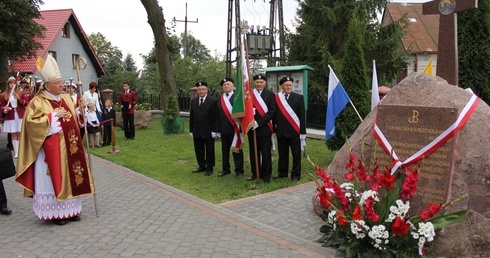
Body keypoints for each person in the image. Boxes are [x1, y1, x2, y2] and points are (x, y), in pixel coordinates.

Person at [16, 54, 95, 226]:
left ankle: (71, 211)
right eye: (58, 83)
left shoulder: (66, 99)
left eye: (62, 82)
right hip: (50, 154)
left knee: (73, 177)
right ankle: (56, 213)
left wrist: (80, 112)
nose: (62, 86)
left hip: (71, 149)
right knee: (55, 180)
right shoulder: (37, 103)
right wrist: (52, 116)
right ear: (47, 85)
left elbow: (75, 120)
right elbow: (31, 124)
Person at [273, 76, 306, 182]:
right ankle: (282, 172)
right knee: (282, 153)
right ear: (282, 86)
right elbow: (274, 114)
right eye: (286, 85)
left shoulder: (299, 97)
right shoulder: (277, 98)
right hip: (281, 131)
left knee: (296, 154)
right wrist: (274, 128)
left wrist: (303, 132)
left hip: (294, 131)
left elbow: (302, 116)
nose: (288, 87)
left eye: (290, 85)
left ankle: (296, 175)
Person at [247, 74, 276, 183]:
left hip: (264, 128)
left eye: (261, 82)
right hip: (252, 129)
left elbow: (272, 111)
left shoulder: (270, 94)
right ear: (254, 83)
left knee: (265, 153)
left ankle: (266, 175)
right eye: (257, 82)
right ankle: (255, 173)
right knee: (253, 152)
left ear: (265, 83)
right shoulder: (249, 94)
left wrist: (259, 123)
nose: (259, 84)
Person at [216, 78, 244, 178]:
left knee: (237, 150)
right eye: (224, 85)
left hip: (235, 129)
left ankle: (239, 170)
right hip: (224, 129)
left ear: (233, 86)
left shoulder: (238, 97)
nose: (226, 86)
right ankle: (225, 169)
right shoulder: (220, 99)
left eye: (228, 84)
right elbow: (217, 115)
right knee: (225, 151)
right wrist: (217, 129)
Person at [189, 82, 217, 176]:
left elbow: (215, 117)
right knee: (198, 149)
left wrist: (215, 130)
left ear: (207, 90)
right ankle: (201, 166)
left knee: (209, 150)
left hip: (208, 130)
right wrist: (191, 130)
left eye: (203, 89)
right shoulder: (194, 101)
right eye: (199, 89)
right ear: (197, 91)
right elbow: (192, 116)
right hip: (197, 130)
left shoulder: (213, 101)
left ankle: (209, 167)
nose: (201, 91)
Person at [1, 76, 28, 158]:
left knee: (20, 133)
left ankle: (21, 151)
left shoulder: (21, 93)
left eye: (13, 83)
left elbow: (26, 103)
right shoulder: (3, 95)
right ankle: (16, 152)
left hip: (19, 116)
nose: (12, 85)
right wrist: (4, 108)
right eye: (10, 83)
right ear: (8, 85)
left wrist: (18, 98)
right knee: (13, 134)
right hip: (10, 116)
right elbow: (1, 106)